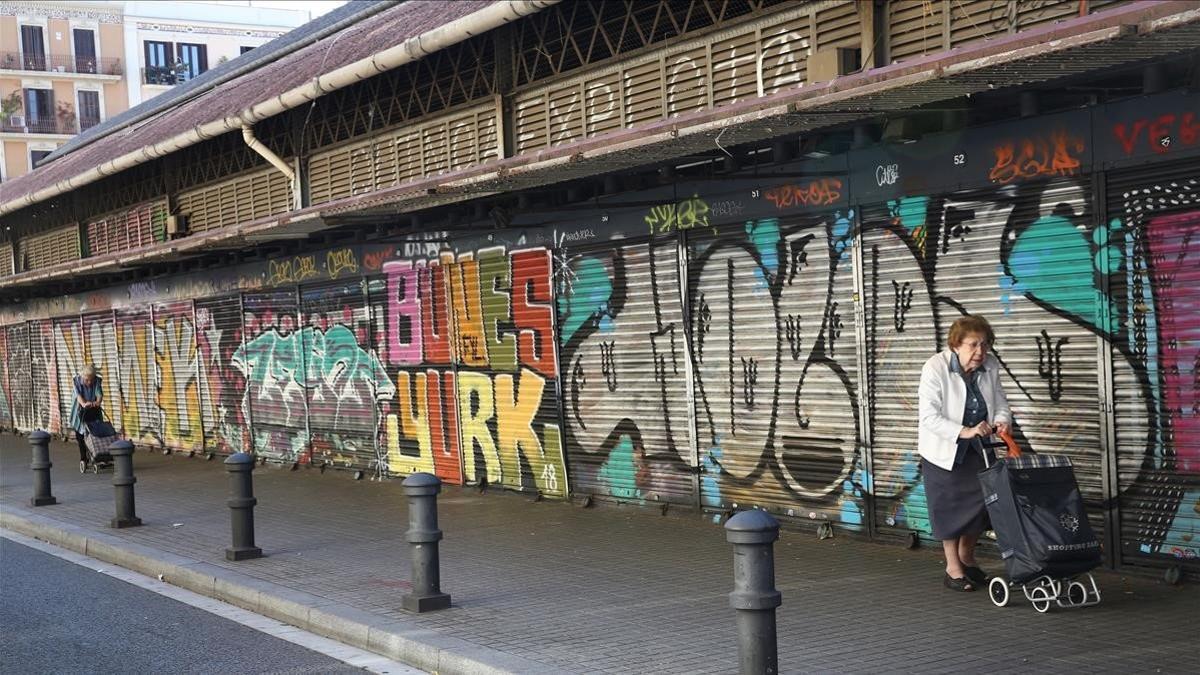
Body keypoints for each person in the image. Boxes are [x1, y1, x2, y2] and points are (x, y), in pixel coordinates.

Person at [918, 315, 1012, 592]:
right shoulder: (935, 368)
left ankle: (968, 558)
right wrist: (964, 430)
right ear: (956, 344)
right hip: (944, 451)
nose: (980, 352)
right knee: (950, 509)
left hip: (980, 451)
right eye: (973, 345)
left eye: (985, 345)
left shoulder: (990, 366)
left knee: (982, 506)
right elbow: (928, 416)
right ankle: (953, 567)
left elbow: (1001, 401)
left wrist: (1002, 419)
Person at [70, 364, 104, 473]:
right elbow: (78, 396)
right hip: (79, 412)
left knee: (95, 434)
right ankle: (83, 458)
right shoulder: (76, 381)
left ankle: (97, 455)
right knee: (81, 436)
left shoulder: (96, 381)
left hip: (93, 409)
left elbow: (99, 393)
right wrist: (84, 404)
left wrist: (97, 402)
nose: (89, 382)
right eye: (87, 380)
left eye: (91, 380)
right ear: (82, 377)